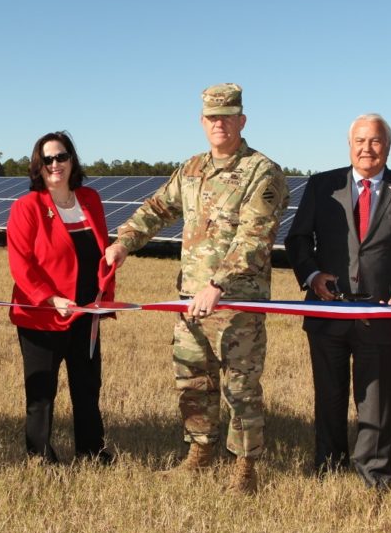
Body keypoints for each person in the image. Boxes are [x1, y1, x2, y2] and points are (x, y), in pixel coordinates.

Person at [105, 84, 289, 494]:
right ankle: (199, 453)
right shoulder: (191, 169)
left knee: (240, 386)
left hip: (237, 302)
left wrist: (217, 284)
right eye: (211, 117)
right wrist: (123, 243)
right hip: (190, 300)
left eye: (227, 116)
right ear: (202, 122)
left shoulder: (263, 172)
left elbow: (255, 238)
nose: (219, 123)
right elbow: (157, 208)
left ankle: (245, 467)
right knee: (192, 380)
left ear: (242, 120)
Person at [284, 113, 391, 490]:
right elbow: (298, 241)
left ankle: (374, 475)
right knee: (329, 397)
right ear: (349, 145)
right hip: (327, 313)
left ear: (388, 145)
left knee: (377, 401)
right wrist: (313, 275)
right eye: (360, 141)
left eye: (376, 141)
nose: (367, 148)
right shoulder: (322, 185)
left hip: (383, 314)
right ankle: (328, 468)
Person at [6, 132, 115, 465]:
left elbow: (99, 251)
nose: (56, 165)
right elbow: (20, 264)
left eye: (62, 157)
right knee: (41, 395)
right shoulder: (27, 207)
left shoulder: (91, 199)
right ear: (38, 166)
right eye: (48, 159)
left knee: (87, 387)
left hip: (85, 313)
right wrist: (50, 298)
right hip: (43, 315)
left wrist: (104, 286)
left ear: (72, 161)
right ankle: (40, 456)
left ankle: (92, 451)